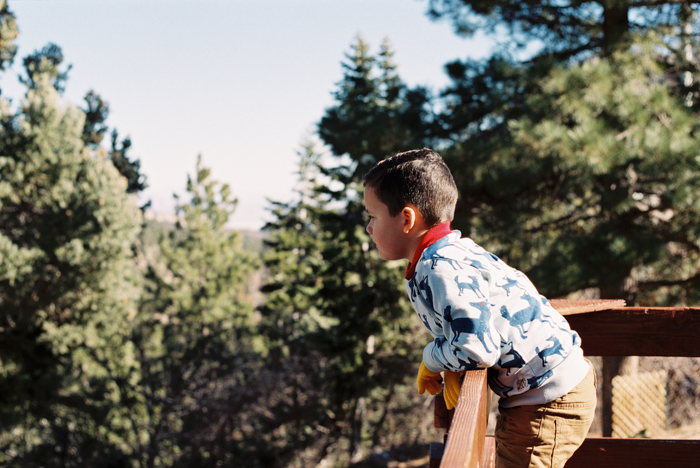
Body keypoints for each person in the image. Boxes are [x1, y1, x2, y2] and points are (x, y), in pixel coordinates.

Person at [362, 148, 596, 468]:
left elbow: (477, 349)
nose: (368, 228)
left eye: (372, 216)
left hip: (547, 400)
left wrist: (431, 358)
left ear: (406, 219)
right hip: (547, 390)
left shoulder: (440, 267)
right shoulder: (454, 250)